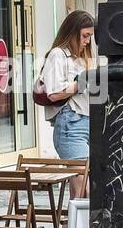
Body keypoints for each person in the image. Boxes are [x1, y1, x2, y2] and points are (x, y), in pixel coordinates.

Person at [36, 11, 97, 179]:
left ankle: (72, 207)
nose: (87, 41)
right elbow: (54, 94)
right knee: (82, 183)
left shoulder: (83, 58)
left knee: (85, 184)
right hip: (71, 124)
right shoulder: (58, 54)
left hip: (88, 122)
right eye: (85, 36)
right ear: (72, 33)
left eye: (90, 36)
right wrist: (81, 83)